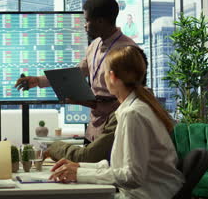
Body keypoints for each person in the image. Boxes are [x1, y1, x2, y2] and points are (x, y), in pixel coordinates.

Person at [49, 46, 184, 199]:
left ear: (112, 77)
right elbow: (119, 167)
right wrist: (79, 166)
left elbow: (132, 176)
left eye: (104, 72)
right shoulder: (137, 107)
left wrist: (79, 174)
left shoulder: (133, 113)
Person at [15, 0, 137, 162]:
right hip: (93, 127)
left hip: (115, 126)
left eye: (87, 20)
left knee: (107, 177)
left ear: (100, 21)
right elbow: (79, 72)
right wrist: (38, 80)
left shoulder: (127, 50)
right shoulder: (94, 46)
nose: (85, 26)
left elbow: (131, 95)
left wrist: (86, 102)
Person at [45, 46, 149, 162]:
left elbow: (90, 157)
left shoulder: (128, 113)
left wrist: (54, 146)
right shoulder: (145, 104)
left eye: (103, 72)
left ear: (112, 77)